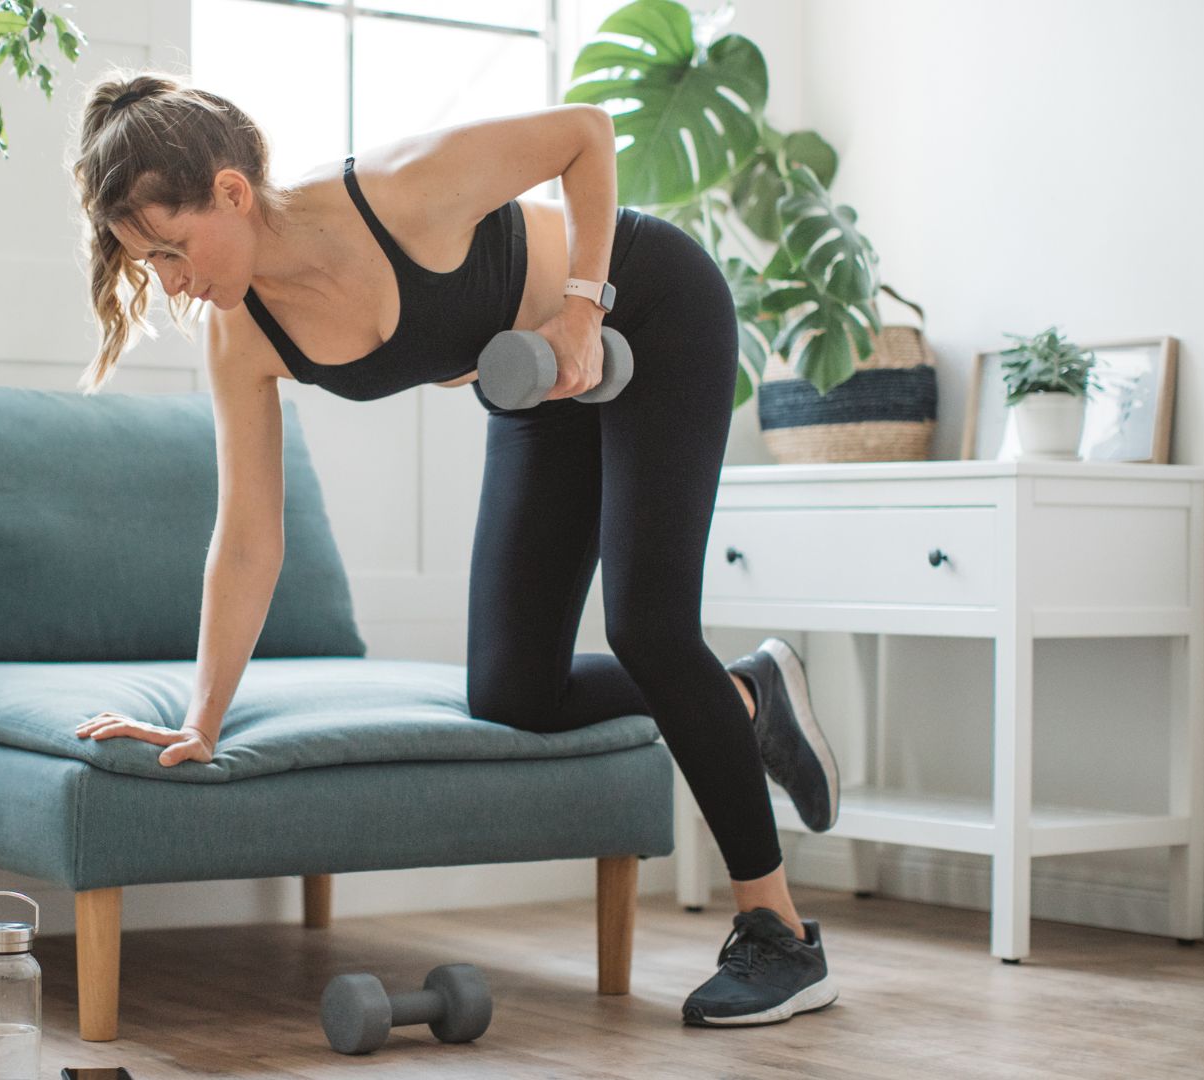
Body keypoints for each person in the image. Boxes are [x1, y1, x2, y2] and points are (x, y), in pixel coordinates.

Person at [64, 69, 843, 1027]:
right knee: (514, 691)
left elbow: (587, 135)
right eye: (150, 265)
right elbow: (247, 540)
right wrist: (202, 718)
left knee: (648, 624)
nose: (172, 282)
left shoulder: (396, 190)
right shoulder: (242, 334)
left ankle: (780, 938)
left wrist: (586, 310)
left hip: (645, 306)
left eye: (172, 249)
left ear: (230, 191)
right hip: (536, 381)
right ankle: (746, 698)